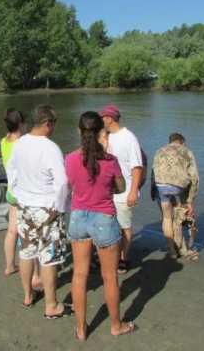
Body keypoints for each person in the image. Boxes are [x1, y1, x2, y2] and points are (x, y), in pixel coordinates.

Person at [65, 111, 138, 341]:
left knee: (79, 275)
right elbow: (120, 187)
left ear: (78, 131)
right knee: (110, 278)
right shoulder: (110, 161)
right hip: (104, 218)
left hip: (78, 217)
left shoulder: (70, 159)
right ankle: (116, 325)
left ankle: (81, 327)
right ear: (101, 133)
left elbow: (70, 185)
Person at [5, 104, 72, 319]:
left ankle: (28, 295)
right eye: (54, 123)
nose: (55, 127)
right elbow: (61, 182)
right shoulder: (50, 148)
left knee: (26, 251)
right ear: (46, 124)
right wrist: (61, 206)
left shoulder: (19, 143)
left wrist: (17, 193)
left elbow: (11, 170)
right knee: (49, 256)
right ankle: (51, 305)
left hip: (25, 205)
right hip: (46, 207)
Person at [99, 104, 144, 275]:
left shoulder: (128, 137)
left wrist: (133, 191)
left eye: (102, 117)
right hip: (107, 191)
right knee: (110, 225)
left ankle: (124, 259)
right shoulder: (106, 136)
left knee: (125, 226)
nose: (100, 120)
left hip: (125, 192)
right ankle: (111, 255)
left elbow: (137, 167)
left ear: (109, 118)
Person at [0, 108, 41, 287]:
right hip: (24, 193)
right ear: (22, 124)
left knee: (12, 230)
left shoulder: (3, 141)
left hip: (10, 191)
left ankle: (9, 266)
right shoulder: (23, 143)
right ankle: (36, 275)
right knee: (30, 234)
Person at [152, 133, 200, 260]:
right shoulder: (186, 151)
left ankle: (172, 251)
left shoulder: (159, 151)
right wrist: (190, 200)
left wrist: (153, 193)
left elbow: (154, 173)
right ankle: (184, 242)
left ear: (170, 142)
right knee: (183, 210)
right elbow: (195, 178)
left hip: (161, 187)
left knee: (167, 218)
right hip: (179, 187)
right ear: (182, 143)